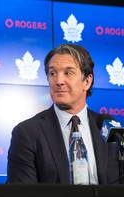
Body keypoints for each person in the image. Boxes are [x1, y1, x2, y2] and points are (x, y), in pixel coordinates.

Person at [7, 44, 119, 184]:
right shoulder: (27, 133)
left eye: (68, 73)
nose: (58, 81)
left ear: (87, 81)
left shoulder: (108, 128)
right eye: (53, 73)